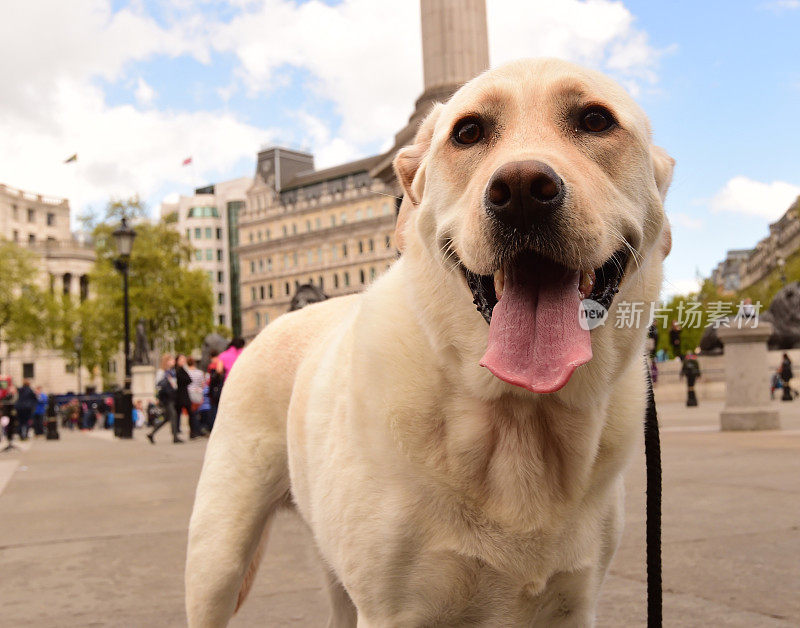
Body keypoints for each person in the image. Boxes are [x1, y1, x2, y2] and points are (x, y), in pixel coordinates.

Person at [147, 354, 182, 444]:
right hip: (166, 398)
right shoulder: (162, 372)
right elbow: (158, 386)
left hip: (171, 397)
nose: (173, 362)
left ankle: (151, 433)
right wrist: (157, 398)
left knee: (167, 418)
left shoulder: (172, 371)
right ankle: (175, 437)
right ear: (166, 361)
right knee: (173, 415)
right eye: (171, 360)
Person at [175, 354, 204, 438]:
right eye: (182, 359)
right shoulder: (179, 370)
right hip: (182, 395)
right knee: (190, 413)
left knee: (188, 413)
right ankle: (190, 432)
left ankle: (190, 431)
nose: (183, 361)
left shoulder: (183, 370)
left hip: (185, 394)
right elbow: (188, 380)